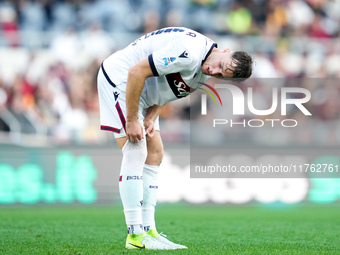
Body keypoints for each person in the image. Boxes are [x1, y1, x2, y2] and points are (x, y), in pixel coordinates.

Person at [97, 27, 253, 250]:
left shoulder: (205, 69)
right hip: (121, 77)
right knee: (136, 149)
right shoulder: (188, 51)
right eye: (220, 65)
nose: (214, 70)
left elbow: (169, 87)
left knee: (155, 154)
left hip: (144, 91)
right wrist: (132, 119)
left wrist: (152, 115)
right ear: (225, 50)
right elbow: (136, 71)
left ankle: (149, 230)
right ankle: (135, 236)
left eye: (221, 75)